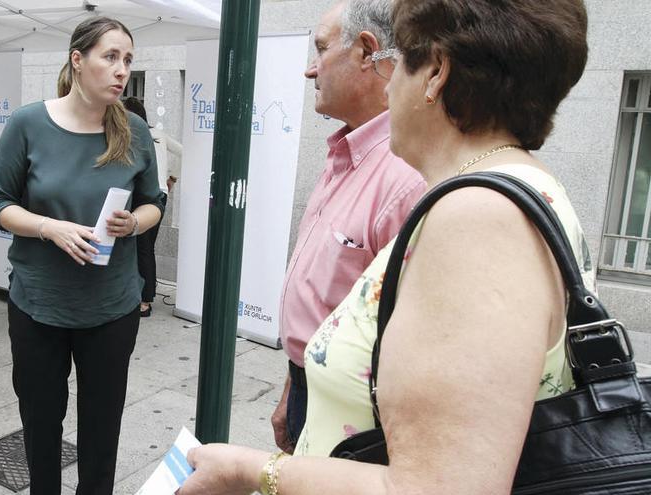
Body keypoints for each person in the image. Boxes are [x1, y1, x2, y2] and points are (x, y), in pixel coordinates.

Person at [180, 0, 594, 493]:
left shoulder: (478, 218)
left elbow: (442, 487)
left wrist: (249, 469)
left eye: (402, 64)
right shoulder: (498, 190)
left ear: (435, 73)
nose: (390, 82)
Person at [0, 17, 164, 495]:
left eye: (127, 60)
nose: (121, 70)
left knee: (102, 432)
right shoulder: (27, 124)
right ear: (77, 60)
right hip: (39, 306)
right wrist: (49, 227)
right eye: (110, 57)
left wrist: (136, 223)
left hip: (112, 308)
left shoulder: (135, 130)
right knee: (41, 425)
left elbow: (154, 202)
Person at [271, 0, 425, 454]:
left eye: (320, 50)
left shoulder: (405, 176)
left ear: (366, 52)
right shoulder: (344, 152)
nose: (310, 70)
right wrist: (289, 389)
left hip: (353, 415)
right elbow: (321, 299)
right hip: (308, 385)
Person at [121, 96, 183, 317]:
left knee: (143, 248)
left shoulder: (134, 135)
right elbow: (184, 151)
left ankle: (145, 300)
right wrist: (171, 179)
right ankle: (144, 294)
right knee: (145, 248)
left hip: (144, 197)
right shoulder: (158, 134)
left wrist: (172, 177)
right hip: (160, 196)